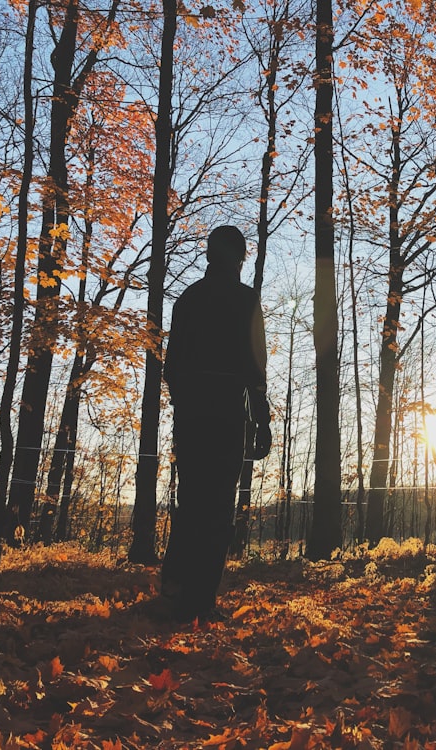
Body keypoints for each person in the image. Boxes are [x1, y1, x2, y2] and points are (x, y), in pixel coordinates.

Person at [161, 225, 272, 622]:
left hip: (192, 415)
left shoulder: (188, 299)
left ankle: (177, 586)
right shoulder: (245, 300)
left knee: (191, 499)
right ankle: (200, 599)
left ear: (210, 255)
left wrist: (184, 402)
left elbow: (171, 365)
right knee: (218, 505)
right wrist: (262, 419)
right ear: (240, 258)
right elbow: (255, 366)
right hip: (227, 412)